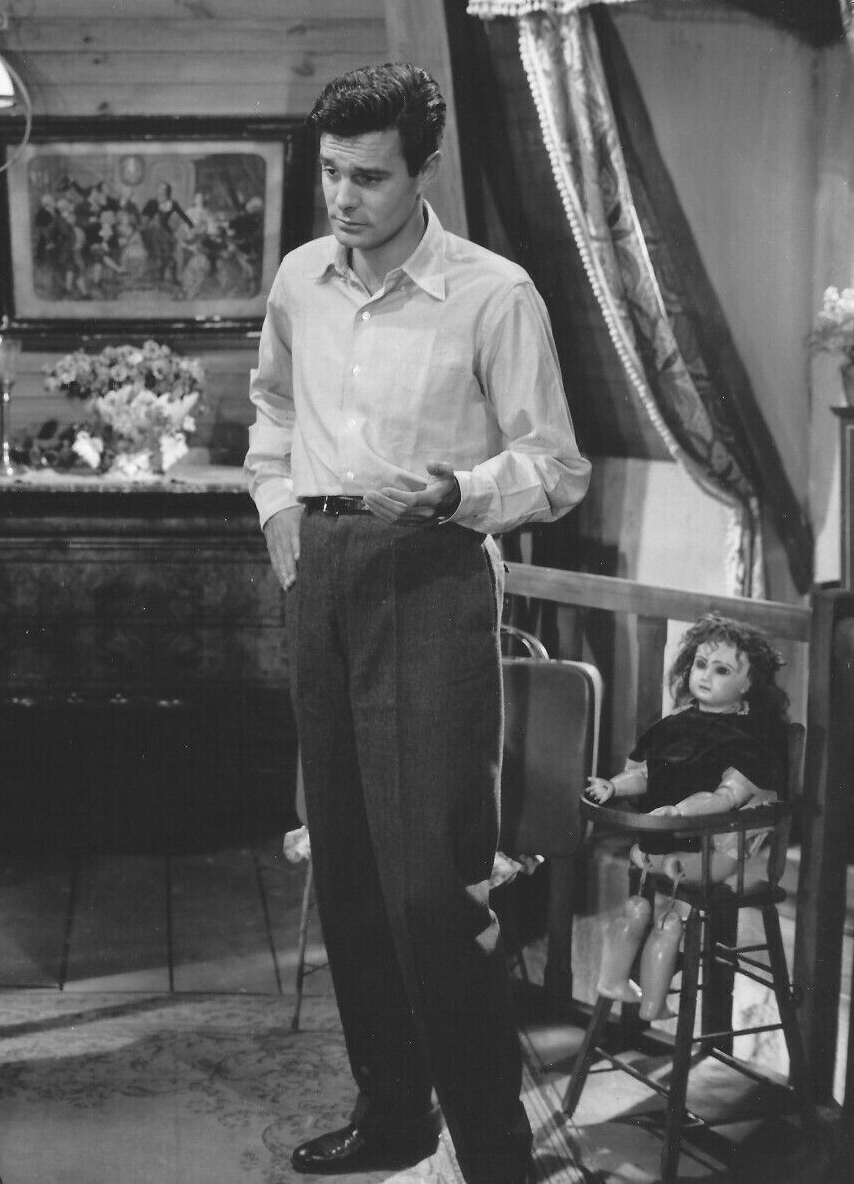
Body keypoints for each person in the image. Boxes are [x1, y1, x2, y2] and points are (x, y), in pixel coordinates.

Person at [245, 63, 590, 1183]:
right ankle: (392, 1112)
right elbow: (270, 410)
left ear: (423, 168)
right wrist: (279, 515)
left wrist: (459, 493)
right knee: (346, 869)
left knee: (431, 886)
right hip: (324, 573)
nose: (344, 198)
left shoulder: (493, 293)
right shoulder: (300, 280)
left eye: (370, 176)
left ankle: (493, 1148)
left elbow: (556, 466)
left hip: (434, 572)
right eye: (332, 173)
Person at [586, 614, 789, 1017]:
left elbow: (727, 796)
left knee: (667, 918)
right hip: (661, 842)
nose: (706, 676)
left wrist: (679, 811)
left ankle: (652, 1002)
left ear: (749, 684)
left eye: (722, 670)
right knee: (641, 910)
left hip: (709, 852)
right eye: (700, 664)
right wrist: (614, 787)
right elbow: (646, 774)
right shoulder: (674, 725)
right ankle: (618, 983)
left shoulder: (749, 738)